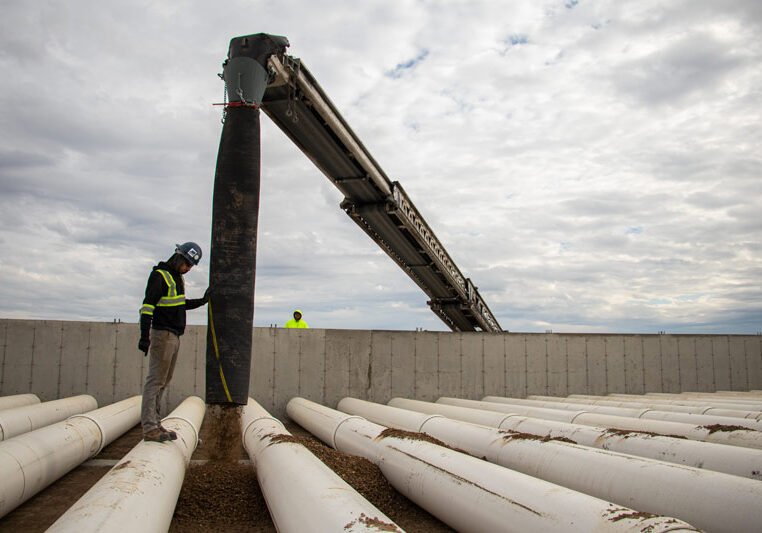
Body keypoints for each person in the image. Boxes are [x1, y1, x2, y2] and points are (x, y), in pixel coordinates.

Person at [138, 242, 209, 442]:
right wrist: (145, 336)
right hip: (163, 334)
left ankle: (155, 422)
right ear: (179, 257)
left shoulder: (177, 278)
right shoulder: (160, 276)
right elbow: (147, 307)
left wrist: (202, 301)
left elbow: (179, 305)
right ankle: (149, 427)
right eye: (187, 264)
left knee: (164, 380)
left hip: (174, 335)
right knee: (155, 381)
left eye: (191, 267)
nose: (188, 269)